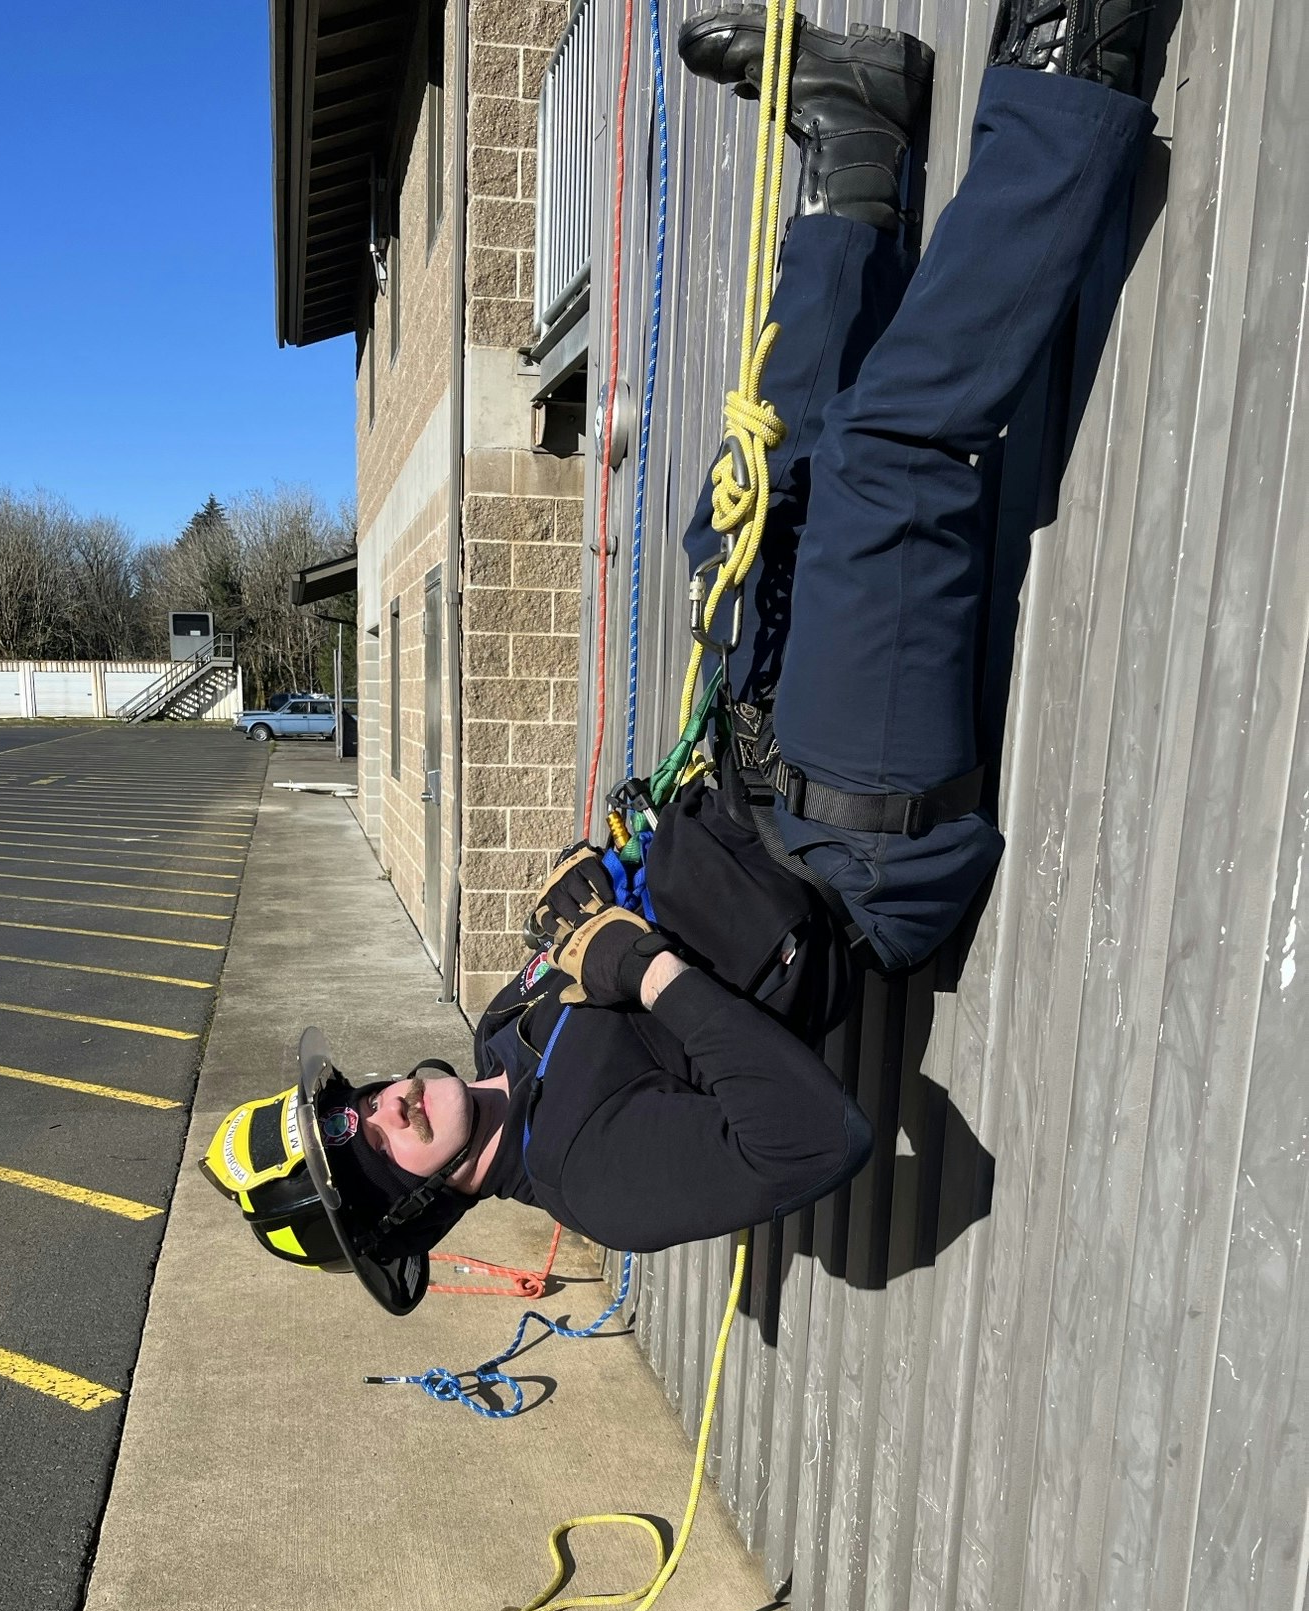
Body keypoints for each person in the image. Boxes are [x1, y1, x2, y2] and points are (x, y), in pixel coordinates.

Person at [203, 0, 1157, 1315]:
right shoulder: (594, 1178)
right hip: (852, 855)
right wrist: (636, 968)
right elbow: (816, 1141)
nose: (380, 1112)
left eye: (348, 1104)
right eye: (367, 1153)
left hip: (752, 775)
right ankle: (1074, 85)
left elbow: (625, 911)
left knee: (741, 510)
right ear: (411, 1207)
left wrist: (602, 871)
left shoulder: (502, 1029)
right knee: (884, 470)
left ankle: (857, 158)